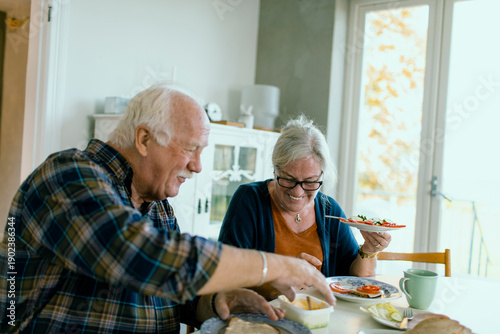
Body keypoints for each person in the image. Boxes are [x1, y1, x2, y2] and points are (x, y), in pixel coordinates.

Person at [0, 84, 335, 333]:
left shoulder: (158, 205)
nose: (198, 166)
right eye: (191, 149)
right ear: (144, 139)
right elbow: (141, 254)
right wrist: (273, 266)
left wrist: (217, 300)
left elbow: (177, 292)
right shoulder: (68, 176)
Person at [219, 116, 392, 298]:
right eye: (288, 179)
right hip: (261, 317)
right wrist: (282, 275)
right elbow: (227, 274)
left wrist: (369, 251)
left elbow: (355, 281)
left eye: (310, 182)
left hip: (317, 317)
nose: (298, 192)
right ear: (275, 169)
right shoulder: (250, 201)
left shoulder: (329, 211)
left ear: (321, 176)